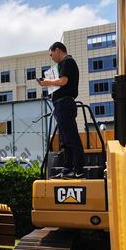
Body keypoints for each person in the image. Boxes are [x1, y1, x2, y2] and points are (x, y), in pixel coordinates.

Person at [37, 41, 85, 179]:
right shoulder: (61, 65)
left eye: (51, 54)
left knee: (71, 137)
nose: (51, 57)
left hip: (65, 103)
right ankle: (68, 168)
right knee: (65, 140)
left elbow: (63, 81)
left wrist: (48, 82)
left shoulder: (68, 62)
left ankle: (78, 169)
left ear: (58, 50)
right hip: (60, 104)